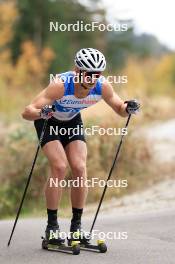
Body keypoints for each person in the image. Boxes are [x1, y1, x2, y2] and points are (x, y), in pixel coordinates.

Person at [22, 48, 140, 243]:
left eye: (98, 73)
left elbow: (120, 108)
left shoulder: (102, 86)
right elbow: (27, 112)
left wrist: (129, 108)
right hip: (48, 121)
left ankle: (76, 227)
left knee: (79, 167)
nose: (94, 78)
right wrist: (42, 112)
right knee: (59, 167)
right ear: (77, 71)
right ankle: (52, 227)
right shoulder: (60, 85)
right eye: (89, 73)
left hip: (71, 122)